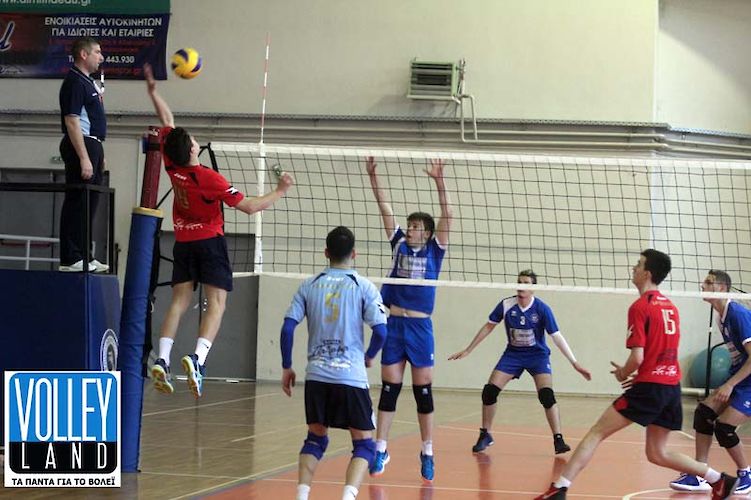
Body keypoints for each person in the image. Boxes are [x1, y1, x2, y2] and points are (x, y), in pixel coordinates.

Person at [535, 249, 738, 500]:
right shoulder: (671, 307)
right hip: (670, 386)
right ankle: (720, 480)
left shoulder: (640, 307)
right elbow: (662, 352)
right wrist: (644, 373)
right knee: (657, 453)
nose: (634, 268)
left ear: (647, 273)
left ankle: (560, 487)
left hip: (651, 386)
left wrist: (624, 372)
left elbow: (638, 357)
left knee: (597, 432)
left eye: (639, 264)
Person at [143, 64, 294, 398]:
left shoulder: (171, 164)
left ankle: (163, 359)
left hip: (182, 242)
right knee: (217, 303)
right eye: (194, 141)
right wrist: (280, 191)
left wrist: (154, 93)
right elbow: (250, 206)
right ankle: (197, 359)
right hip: (209, 242)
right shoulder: (210, 179)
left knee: (179, 302)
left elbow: (168, 121)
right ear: (192, 150)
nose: (196, 141)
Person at [280, 226, 388, 500]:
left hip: (316, 376)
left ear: (326, 253)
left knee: (315, 439)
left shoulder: (309, 285)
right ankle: (347, 497)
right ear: (354, 254)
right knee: (364, 445)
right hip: (350, 376)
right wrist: (369, 356)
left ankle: (302, 496)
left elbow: (288, 328)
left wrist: (287, 365)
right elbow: (381, 331)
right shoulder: (363, 286)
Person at [365, 156, 452, 483]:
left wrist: (439, 181)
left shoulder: (435, 250)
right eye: (410, 225)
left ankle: (427, 451)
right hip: (394, 325)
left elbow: (448, 214)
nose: (411, 229)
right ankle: (381, 448)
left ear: (426, 232)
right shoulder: (399, 243)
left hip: (420, 327)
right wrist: (373, 177)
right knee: (389, 390)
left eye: (416, 226)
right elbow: (384, 207)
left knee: (422, 392)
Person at [448, 269, 591, 454]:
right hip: (513, 355)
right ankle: (485, 435)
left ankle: (558, 440)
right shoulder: (507, 305)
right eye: (519, 282)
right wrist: (468, 349)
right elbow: (489, 326)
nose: (521, 286)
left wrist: (574, 363)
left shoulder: (542, 309)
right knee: (489, 392)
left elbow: (556, 336)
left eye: (526, 283)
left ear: (534, 288)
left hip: (537, 356)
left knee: (546, 395)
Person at [668, 270, 751, 495]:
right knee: (704, 413)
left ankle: (746, 473)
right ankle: (700, 473)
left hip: (748, 382)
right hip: (742, 377)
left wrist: (730, 385)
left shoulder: (737, 314)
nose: (702, 285)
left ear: (721, 288)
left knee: (724, 428)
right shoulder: (721, 316)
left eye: (708, 282)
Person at [58, 37, 109, 273]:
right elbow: (72, 120)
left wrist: (99, 152)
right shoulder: (74, 82)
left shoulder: (88, 83)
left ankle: (85, 255)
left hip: (93, 144)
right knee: (77, 201)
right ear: (83, 54)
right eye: (97, 52)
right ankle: (71, 257)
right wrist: (83, 157)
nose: (101, 57)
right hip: (82, 144)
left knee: (89, 204)